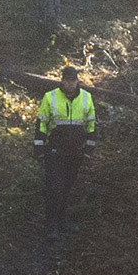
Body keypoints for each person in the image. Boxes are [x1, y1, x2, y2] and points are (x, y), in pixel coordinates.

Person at [35, 64, 97, 230]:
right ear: (62, 81)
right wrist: (39, 149)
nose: (70, 84)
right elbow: (41, 123)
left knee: (67, 189)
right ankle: (51, 225)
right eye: (67, 80)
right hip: (55, 151)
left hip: (75, 152)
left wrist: (89, 149)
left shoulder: (86, 97)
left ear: (77, 81)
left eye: (73, 80)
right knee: (55, 188)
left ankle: (62, 221)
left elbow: (91, 124)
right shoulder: (50, 97)